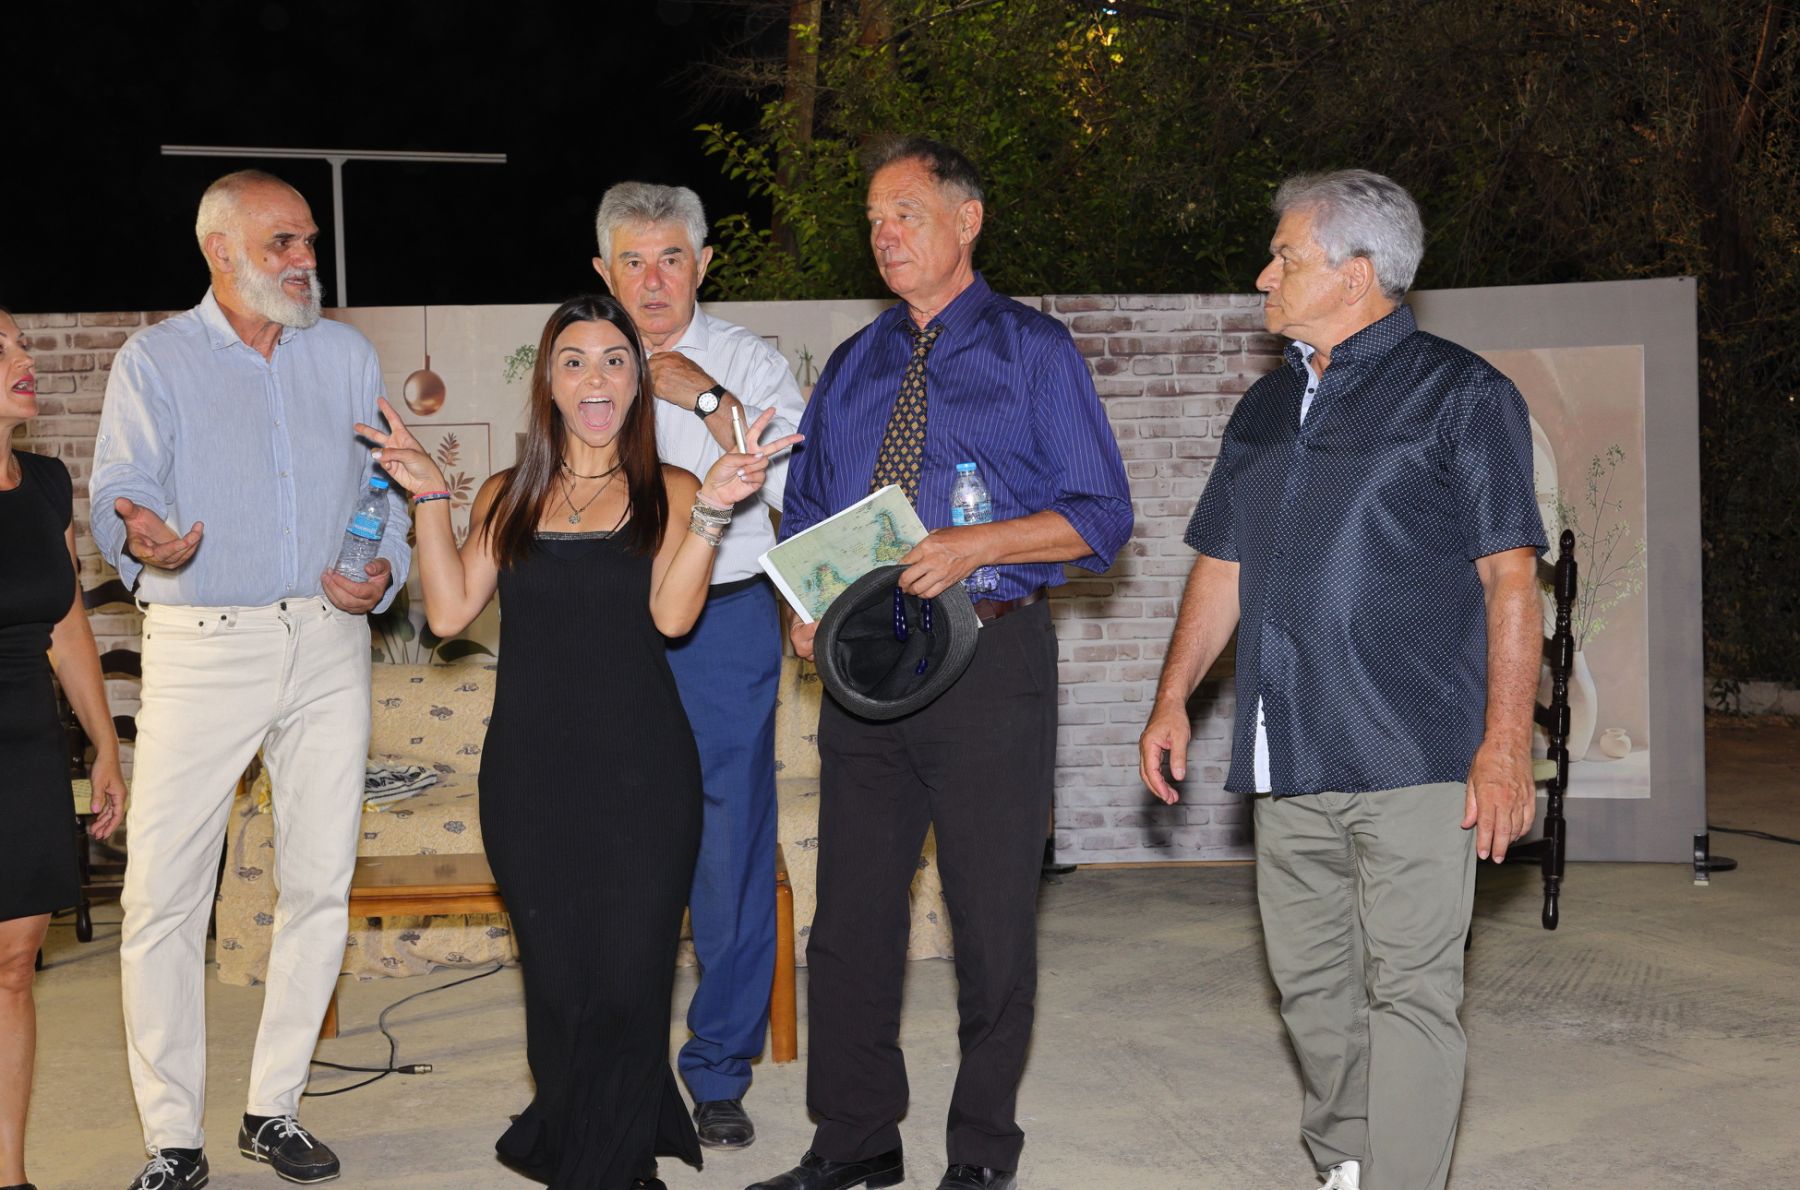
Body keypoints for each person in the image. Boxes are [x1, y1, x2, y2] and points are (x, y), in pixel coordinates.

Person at [1138, 170, 1545, 1190]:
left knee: (1412, 991)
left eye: (1285, 256)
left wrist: (1505, 745)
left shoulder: (1463, 395)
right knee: (1313, 990)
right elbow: (1223, 563)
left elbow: (1510, 578)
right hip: (1286, 751)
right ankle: (1348, 1159)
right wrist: (1173, 694)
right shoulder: (1266, 403)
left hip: (1418, 751)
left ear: (1356, 275)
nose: (1263, 274)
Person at [748, 138, 1133, 1190]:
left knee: (991, 924)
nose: (884, 234)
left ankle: (981, 1153)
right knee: (849, 924)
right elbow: (810, 513)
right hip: (866, 670)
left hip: (989, 661)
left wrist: (978, 543)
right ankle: (854, 1138)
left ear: (967, 221)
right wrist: (804, 607)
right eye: (874, 219)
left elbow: (1102, 515)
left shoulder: (1034, 351)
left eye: (905, 212)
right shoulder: (854, 363)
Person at [361, 293, 800, 1190]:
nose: (594, 379)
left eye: (613, 361)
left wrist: (715, 510)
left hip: (646, 775)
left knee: (632, 977)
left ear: (638, 383)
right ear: (549, 383)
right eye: (574, 361)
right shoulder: (507, 493)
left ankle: (614, 1163)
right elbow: (447, 612)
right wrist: (431, 497)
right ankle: (577, 1125)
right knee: (559, 984)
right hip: (530, 779)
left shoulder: (672, 491)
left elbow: (673, 619)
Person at [90, 171, 411, 1190]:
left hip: (327, 639)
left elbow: (389, 487)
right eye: (283, 243)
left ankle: (274, 1109)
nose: (306, 259)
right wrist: (142, 532)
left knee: (319, 884)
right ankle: (173, 1139)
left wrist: (381, 568)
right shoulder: (156, 359)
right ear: (220, 251)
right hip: (202, 643)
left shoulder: (348, 355)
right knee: (163, 898)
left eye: (309, 240)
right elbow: (120, 487)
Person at [591, 182, 808, 1149]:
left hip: (723, 618)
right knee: (609, 840)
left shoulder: (749, 362)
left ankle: (719, 1069)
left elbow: (796, 483)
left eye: (671, 258)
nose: (652, 281)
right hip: (607, 622)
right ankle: (608, 1063)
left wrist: (707, 398)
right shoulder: (581, 359)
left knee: (729, 848)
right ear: (603, 271)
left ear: (704, 265)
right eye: (632, 262)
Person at [0, 309, 128, 1190]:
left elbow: (67, 623)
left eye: (20, 340)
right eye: (0, 346)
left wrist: (103, 744)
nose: (25, 355)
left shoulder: (46, 483)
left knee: (14, 966)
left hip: (24, 748)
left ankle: (9, 1175)